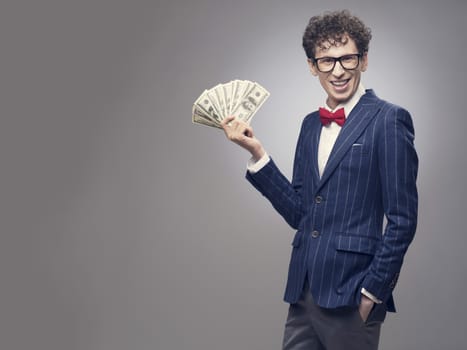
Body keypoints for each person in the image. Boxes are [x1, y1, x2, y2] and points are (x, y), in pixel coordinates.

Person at [221, 9, 418, 350]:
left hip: (353, 295)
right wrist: (257, 154)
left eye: (348, 59)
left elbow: (403, 219)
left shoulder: (389, 120)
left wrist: (374, 292)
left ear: (364, 60)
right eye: (327, 61)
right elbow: (300, 213)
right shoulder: (310, 125)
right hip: (303, 292)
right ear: (313, 66)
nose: (338, 71)